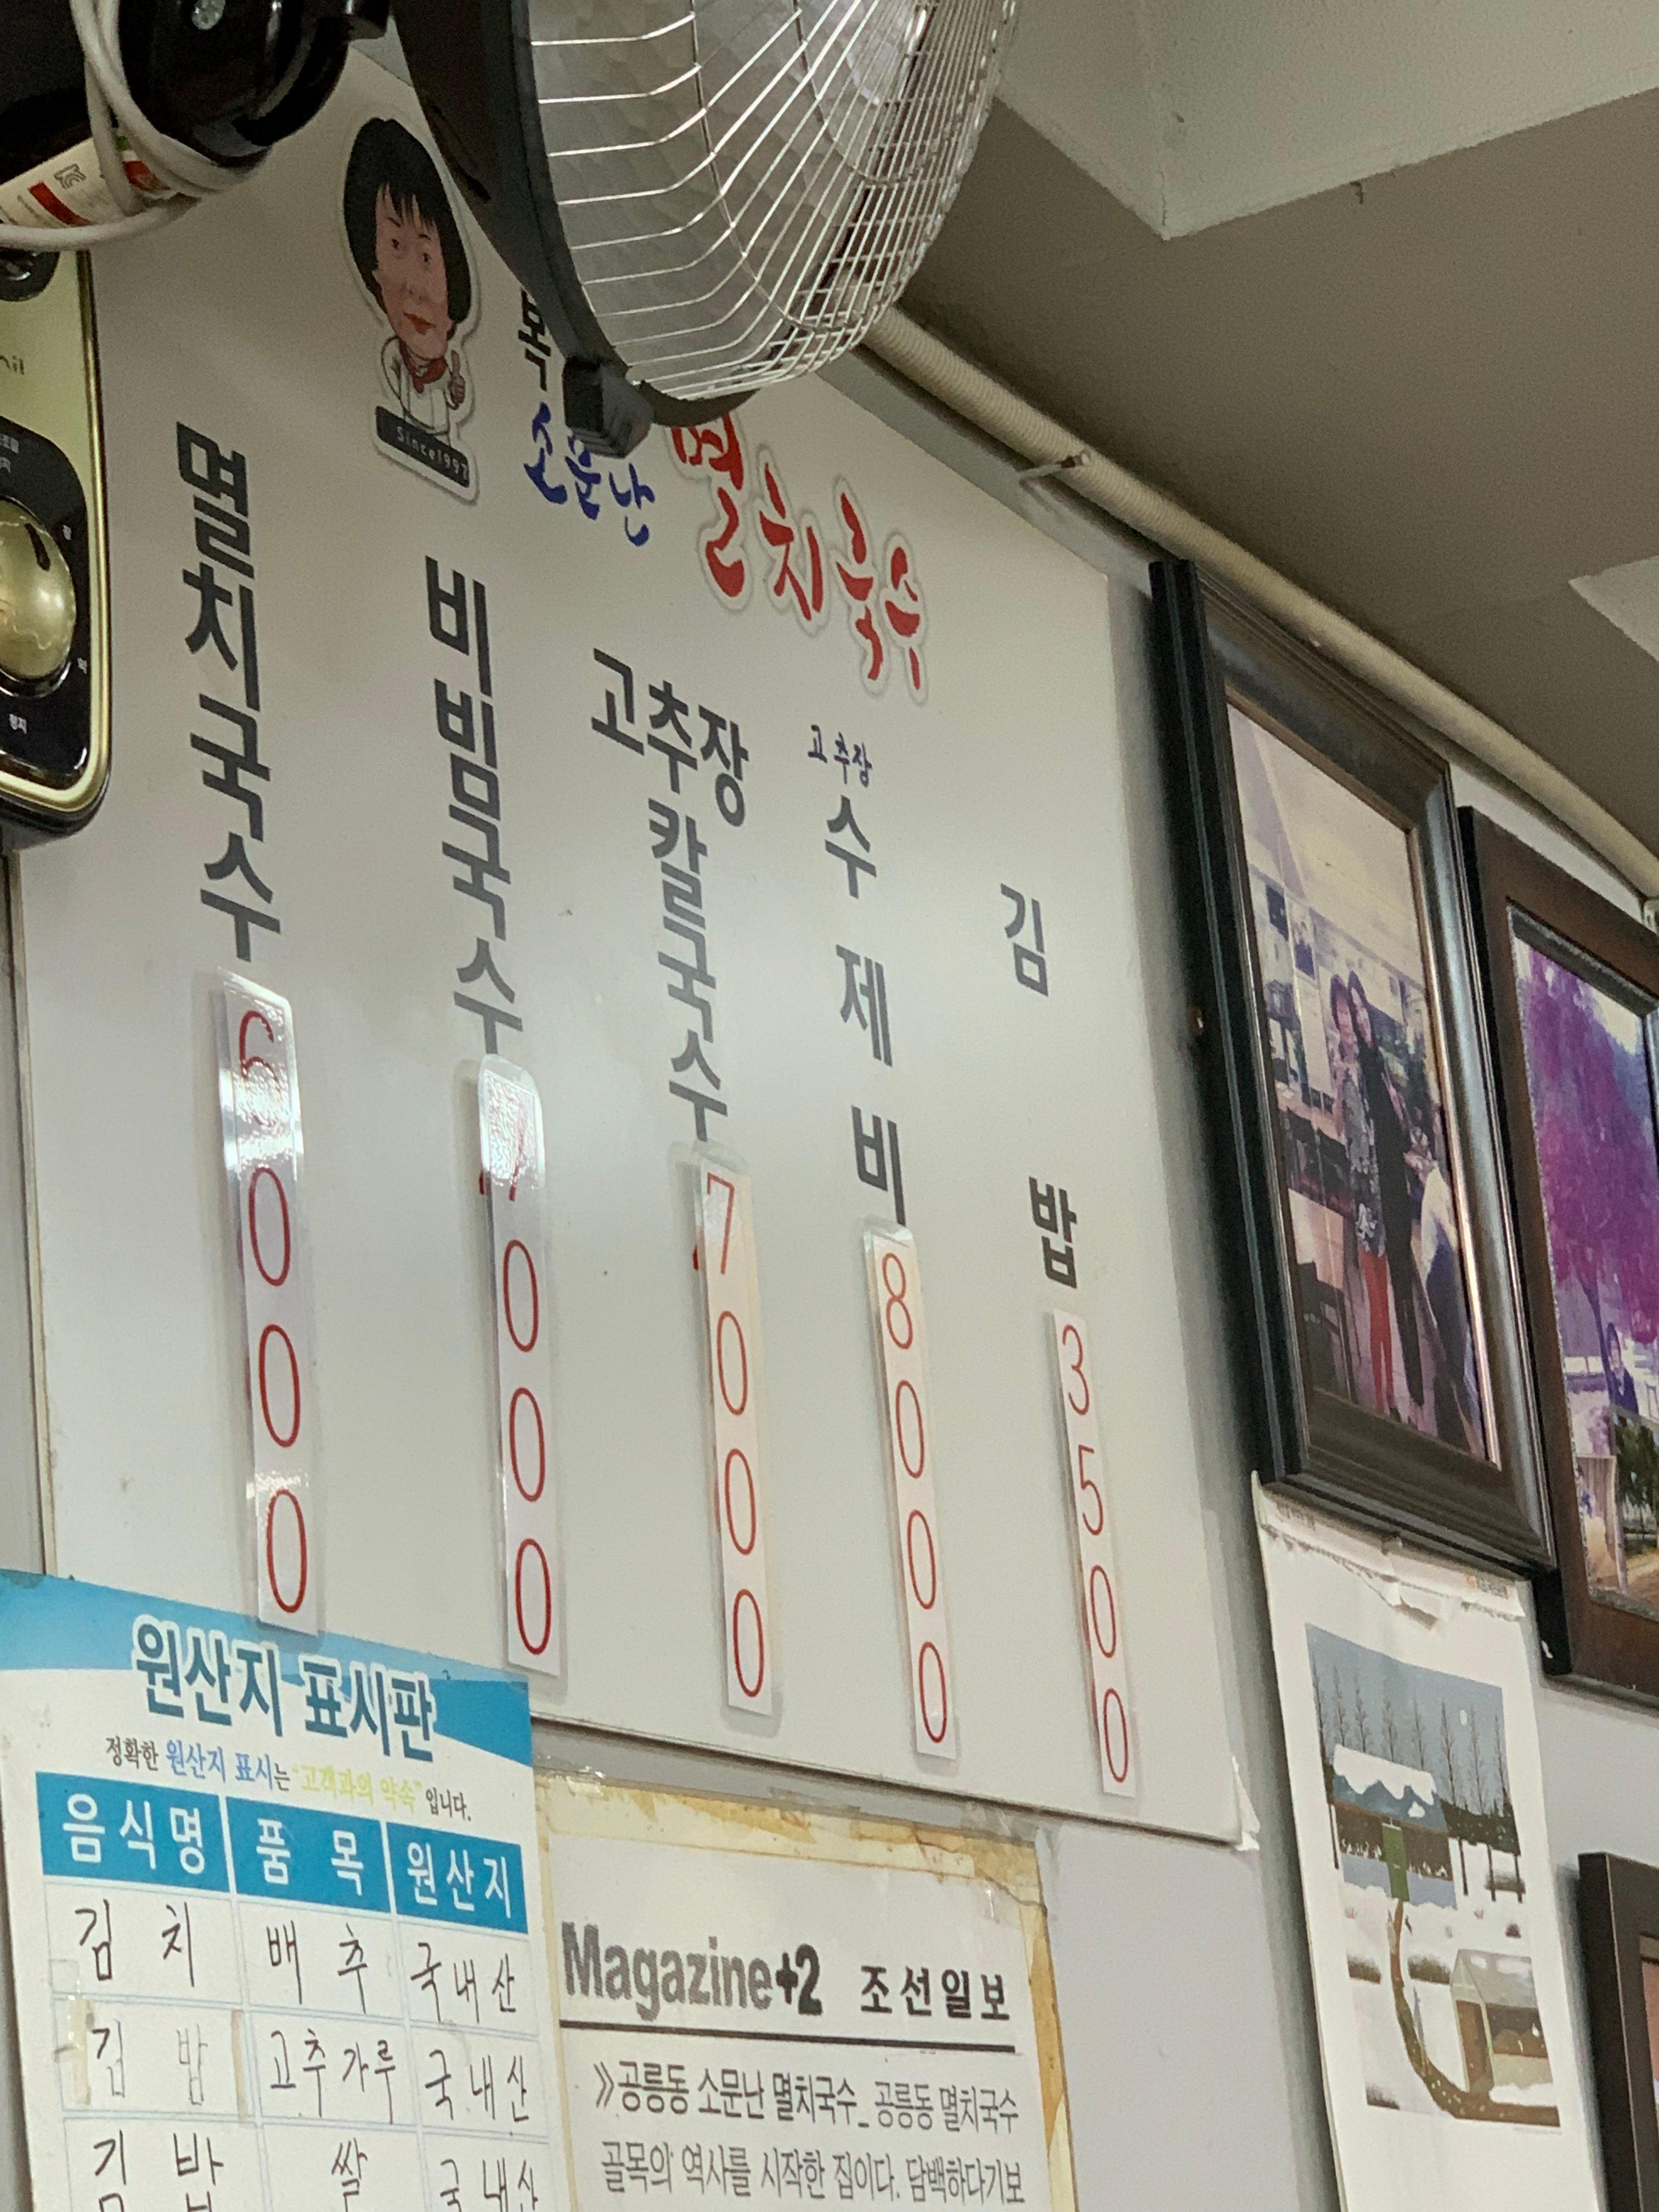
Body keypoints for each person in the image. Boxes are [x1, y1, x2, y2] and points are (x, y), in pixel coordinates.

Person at [343, 118, 472, 440]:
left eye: (426, 257)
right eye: (395, 245)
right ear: (374, 266)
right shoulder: (389, 359)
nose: (414, 287)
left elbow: (454, 399)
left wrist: (456, 389)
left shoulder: (445, 371)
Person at [1350, 973, 1423, 1419]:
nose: (1360, 1018)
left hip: (1396, 1192)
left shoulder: (1381, 1065)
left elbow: (1397, 1135)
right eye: (1353, 1011)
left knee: (1403, 1290)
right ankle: (1392, 1394)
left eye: (1362, 1008)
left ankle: (1412, 1392)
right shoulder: (1360, 1073)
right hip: (1377, 1198)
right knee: (1386, 1296)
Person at [1330, 975, 1391, 1413]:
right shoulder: (1340, 1065)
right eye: (1341, 1013)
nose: (1348, 1019)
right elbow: (1339, 1127)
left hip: (1384, 1186)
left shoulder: (1371, 1064)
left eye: (1349, 1011)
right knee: (1373, 1295)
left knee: (1385, 1292)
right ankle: (1382, 1396)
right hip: (1364, 1191)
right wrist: (1339, 1083)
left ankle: (1388, 1392)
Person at [1417, 1122, 1474, 1447]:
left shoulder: (1444, 1186)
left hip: (1443, 1273)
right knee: (1455, 1347)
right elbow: (1453, 1240)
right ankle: (1460, 1406)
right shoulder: (1437, 1189)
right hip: (1435, 1279)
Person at [1606, 1325, 1640, 1415]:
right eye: (1611, 1349)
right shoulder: (1610, 1379)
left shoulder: (1628, 1377)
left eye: (1615, 1348)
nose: (1614, 1354)